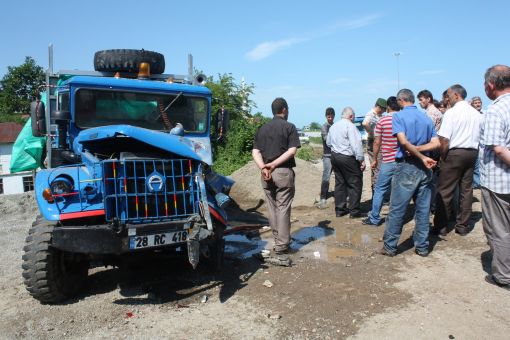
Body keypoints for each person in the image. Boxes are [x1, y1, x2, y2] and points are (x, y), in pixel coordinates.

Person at [378, 89, 439, 257]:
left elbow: (403, 142)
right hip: (425, 167)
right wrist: (422, 152)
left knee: (397, 208)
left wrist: (416, 152)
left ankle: (390, 246)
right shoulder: (425, 118)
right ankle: (422, 247)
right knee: (423, 209)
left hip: (406, 166)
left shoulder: (398, 117)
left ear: (400, 101)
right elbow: (436, 143)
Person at [252, 97, 300, 256]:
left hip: (266, 174)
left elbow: (255, 151)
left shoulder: (262, 128)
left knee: (272, 208)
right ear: (284, 110)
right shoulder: (289, 127)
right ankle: (282, 245)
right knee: (283, 208)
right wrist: (274, 165)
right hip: (283, 172)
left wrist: (264, 167)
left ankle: (278, 238)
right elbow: (292, 150)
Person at [432, 84, 482, 236]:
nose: (446, 98)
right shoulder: (476, 114)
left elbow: (444, 139)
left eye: (448, 95)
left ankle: (441, 226)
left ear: (456, 95)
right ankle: (463, 226)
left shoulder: (452, 113)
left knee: (445, 190)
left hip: (455, 153)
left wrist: (442, 156)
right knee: (466, 190)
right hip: (472, 152)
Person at [479, 65, 510, 290]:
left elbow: (498, 148)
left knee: (499, 229)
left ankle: (503, 275)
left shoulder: (495, 110)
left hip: (499, 180)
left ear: (491, 85)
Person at [362, 96, 400, 226]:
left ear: (388, 107)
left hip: (388, 160)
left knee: (380, 188)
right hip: (402, 161)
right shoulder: (403, 119)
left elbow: (377, 142)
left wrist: (375, 160)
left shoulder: (382, 121)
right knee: (399, 190)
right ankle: (396, 218)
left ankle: (374, 218)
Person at [327, 107, 366, 218]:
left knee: (340, 183)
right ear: (351, 116)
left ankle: (340, 210)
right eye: (353, 117)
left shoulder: (334, 126)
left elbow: (328, 142)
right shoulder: (350, 126)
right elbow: (356, 145)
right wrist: (361, 159)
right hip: (347, 157)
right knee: (355, 183)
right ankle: (354, 211)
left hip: (335, 156)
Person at [363, 98, 387, 194]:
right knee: (377, 168)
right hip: (373, 142)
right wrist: (371, 133)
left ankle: (376, 192)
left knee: (377, 168)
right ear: (378, 107)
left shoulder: (378, 115)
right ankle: (377, 193)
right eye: (383, 109)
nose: (385, 111)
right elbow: (365, 123)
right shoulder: (371, 114)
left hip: (377, 142)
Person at [316, 107, 335, 209]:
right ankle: (323, 197)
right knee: (326, 176)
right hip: (327, 155)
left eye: (331, 116)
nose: (330, 118)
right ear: (326, 116)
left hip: (336, 155)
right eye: (328, 116)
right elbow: (327, 140)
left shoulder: (335, 126)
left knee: (339, 176)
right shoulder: (324, 127)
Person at [471, 96, 484, 188]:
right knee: (475, 165)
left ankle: (479, 183)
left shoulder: (485, 114)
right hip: (473, 143)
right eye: (476, 103)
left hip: (483, 143)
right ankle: (476, 184)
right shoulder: (470, 115)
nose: (478, 104)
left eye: (479, 102)